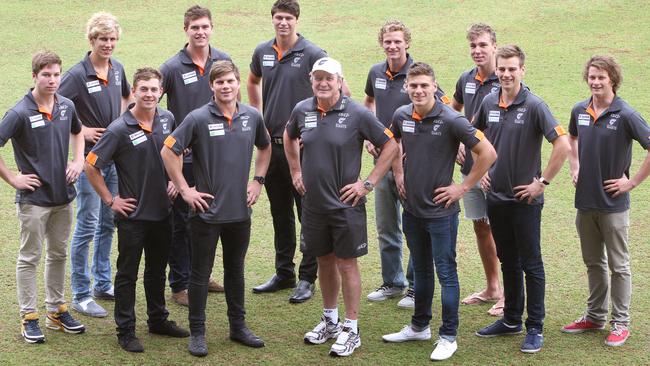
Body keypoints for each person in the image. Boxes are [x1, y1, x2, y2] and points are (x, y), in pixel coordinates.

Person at [381, 62, 496, 361]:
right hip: (413, 210)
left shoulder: (451, 119)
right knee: (420, 270)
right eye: (413, 86)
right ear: (407, 88)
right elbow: (393, 143)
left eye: (424, 86)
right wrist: (400, 173)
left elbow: (488, 153)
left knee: (446, 273)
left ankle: (448, 335)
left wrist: (462, 187)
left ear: (434, 87)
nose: (418, 91)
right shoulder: (401, 115)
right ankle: (420, 326)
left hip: (441, 213)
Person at [285, 57, 398, 357]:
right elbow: (288, 135)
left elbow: (390, 146)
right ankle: (330, 319)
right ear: (312, 80)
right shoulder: (302, 110)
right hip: (314, 205)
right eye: (318, 78)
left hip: (346, 206)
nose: (323, 83)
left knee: (346, 263)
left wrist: (368, 183)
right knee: (323, 260)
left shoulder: (357, 113)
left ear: (339, 80)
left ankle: (352, 327)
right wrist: (296, 170)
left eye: (329, 78)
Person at [162, 60, 271, 356]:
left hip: (239, 212)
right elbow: (168, 150)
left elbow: (265, 146)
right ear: (211, 86)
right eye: (219, 82)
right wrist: (185, 189)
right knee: (199, 274)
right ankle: (197, 332)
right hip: (206, 214)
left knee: (235, 271)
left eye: (230, 81)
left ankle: (238, 327)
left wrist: (258, 180)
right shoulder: (197, 118)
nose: (226, 86)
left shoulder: (251, 116)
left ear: (238, 84)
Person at [248, 0, 349, 303]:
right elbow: (253, 80)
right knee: (280, 213)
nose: (283, 23)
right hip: (273, 148)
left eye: (289, 18)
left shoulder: (313, 53)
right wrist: (258, 115)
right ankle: (283, 272)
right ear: (273, 20)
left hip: (303, 150)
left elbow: (340, 92)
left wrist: (316, 130)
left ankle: (307, 277)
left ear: (296, 21)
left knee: (309, 214)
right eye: (279, 18)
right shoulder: (262, 52)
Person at [473, 45, 570, 354]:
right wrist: (480, 169)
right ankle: (511, 319)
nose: (506, 73)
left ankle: (535, 327)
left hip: (525, 201)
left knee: (531, 264)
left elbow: (563, 145)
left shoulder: (535, 105)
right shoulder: (489, 101)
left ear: (522, 70)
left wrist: (541, 183)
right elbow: (473, 135)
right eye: (502, 68)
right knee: (508, 260)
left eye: (512, 68)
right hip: (496, 199)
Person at [85, 67, 190, 352]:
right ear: (134, 92)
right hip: (132, 217)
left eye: (155, 89)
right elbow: (91, 165)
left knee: (157, 270)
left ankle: (158, 320)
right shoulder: (119, 129)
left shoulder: (168, 118)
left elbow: (178, 152)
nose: (149, 94)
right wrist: (110, 200)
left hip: (163, 212)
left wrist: (174, 180)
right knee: (127, 274)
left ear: (161, 92)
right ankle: (125, 330)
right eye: (144, 89)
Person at [363, 20, 452, 309]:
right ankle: (393, 282)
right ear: (382, 43)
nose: (392, 46)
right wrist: (369, 134)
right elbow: (368, 102)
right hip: (382, 161)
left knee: (416, 224)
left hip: (413, 166)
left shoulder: (418, 75)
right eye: (387, 41)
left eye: (397, 41)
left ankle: (416, 286)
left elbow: (446, 108)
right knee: (386, 225)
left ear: (407, 43)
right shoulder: (375, 73)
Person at [562, 55, 650, 347]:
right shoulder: (580, 110)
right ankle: (595, 316)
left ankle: (620, 322)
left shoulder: (625, 114)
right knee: (593, 263)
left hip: (613, 205)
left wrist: (632, 182)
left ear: (613, 79)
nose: (595, 82)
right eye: (591, 76)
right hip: (585, 202)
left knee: (619, 266)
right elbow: (571, 139)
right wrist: (574, 166)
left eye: (601, 77)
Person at [0, 51, 86, 343]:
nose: (52, 80)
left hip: (63, 198)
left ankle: (56, 310)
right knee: (29, 258)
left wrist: (78, 161)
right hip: (33, 201)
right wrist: (13, 178)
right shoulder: (19, 113)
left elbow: (78, 133)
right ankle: (29, 316)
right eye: (46, 74)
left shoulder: (67, 106)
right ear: (34, 76)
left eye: (56, 74)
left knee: (59, 254)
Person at [59, 12, 133, 318]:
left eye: (113, 39)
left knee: (108, 221)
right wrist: (83, 130)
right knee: (87, 225)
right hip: (91, 162)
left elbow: (127, 98)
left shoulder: (117, 70)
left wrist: (121, 123)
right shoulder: (77, 75)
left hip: (115, 159)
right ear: (92, 40)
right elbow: (55, 108)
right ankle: (81, 293)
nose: (108, 44)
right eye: (103, 39)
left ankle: (103, 283)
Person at [160, 4, 230, 306]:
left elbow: (233, 107)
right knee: (181, 223)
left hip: (213, 160)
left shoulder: (223, 61)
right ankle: (179, 284)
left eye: (204, 27)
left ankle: (201, 275)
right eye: (194, 28)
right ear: (185, 30)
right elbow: (148, 104)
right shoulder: (172, 67)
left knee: (207, 219)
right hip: (183, 161)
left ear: (211, 28)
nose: (200, 32)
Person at [450, 23, 504, 316]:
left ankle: (509, 294)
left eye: (483, 45)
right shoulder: (466, 79)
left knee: (503, 230)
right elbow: (452, 109)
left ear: (494, 46)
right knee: (481, 227)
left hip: (497, 169)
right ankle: (492, 287)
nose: (478, 51)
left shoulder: (505, 78)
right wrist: (459, 139)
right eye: (473, 46)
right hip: (471, 169)